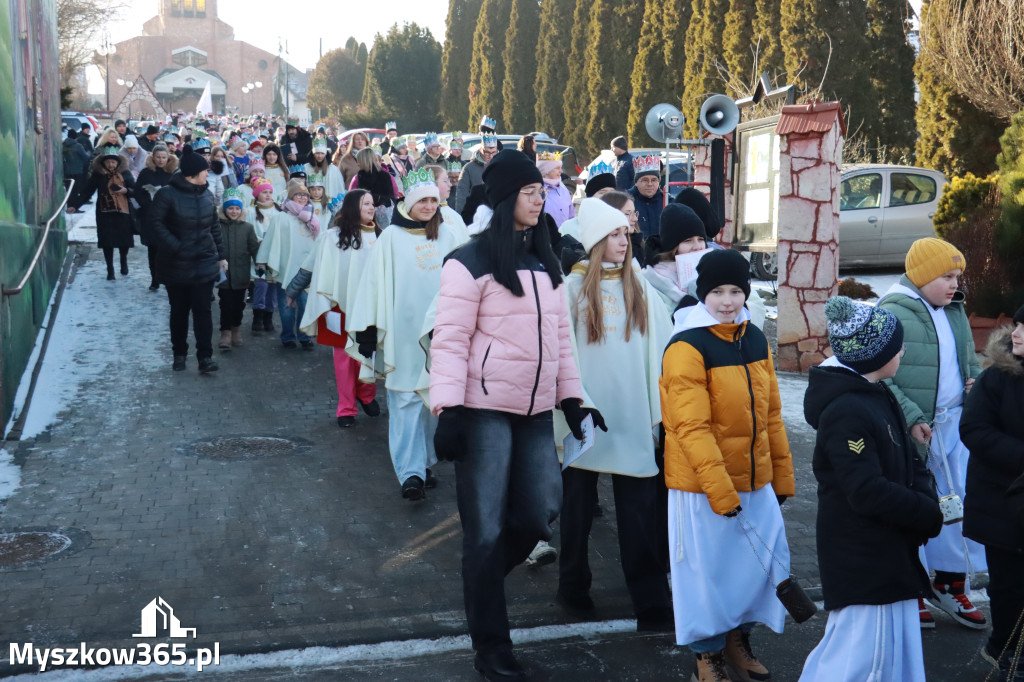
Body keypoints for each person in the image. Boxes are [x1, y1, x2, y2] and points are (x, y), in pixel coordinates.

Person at [429, 150, 587, 681]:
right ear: (504, 201)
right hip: (483, 412)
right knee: (485, 530)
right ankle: (492, 646)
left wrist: (573, 398)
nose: (539, 197)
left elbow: (560, 340)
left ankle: (482, 583)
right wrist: (447, 409)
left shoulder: (546, 262)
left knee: (540, 513)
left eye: (541, 190)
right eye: (529, 191)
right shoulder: (468, 260)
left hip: (537, 409)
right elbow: (449, 341)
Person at [660, 248, 795, 682]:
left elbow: (772, 414)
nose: (728, 300)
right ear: (702, 294)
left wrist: (782, 476)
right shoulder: (686, 345)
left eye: (736, 290)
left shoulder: (754, 338)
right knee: (708, 575)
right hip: (703, 488)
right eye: (717, 291)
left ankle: (738, 640)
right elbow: (691, 428)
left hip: (753, 480)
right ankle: (707, 655)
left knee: (752, 569)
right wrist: (721, 491)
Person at [799, 296, 942, 682]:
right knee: (860, 658)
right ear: (872, 355)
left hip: (887, 551)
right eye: (898, 346)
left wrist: (925, 492)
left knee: (891, 652)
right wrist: (925, 511)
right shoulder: (847, 410)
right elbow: (865, 490)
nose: (902, 352)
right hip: (863, 557)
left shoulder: (876, 393)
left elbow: (905, 461)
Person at [555, 198, 674, 632]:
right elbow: (560, 351)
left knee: (640, 510)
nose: (624, 241)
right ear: (594, 240)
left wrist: (658, 412)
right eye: (613, 234)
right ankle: (572, 586)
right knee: (577, 510)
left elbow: (660, 351)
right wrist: (574, 402)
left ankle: (650, 598)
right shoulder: (569, 290)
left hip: (631, 414)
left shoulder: (639, 287)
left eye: (626, 233)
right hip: (583, 417)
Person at [877, 237, 987, 630]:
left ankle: (952, 582)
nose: (955, 284)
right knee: (918, 507)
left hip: (954, 428)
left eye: (958, 276)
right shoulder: (893, 312)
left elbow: (967, 358)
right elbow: (879, 375)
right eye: (947, 276)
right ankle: (913, 589)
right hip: (916, 433)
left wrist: (976, 384)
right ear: (922, 276)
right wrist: (909, 416)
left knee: (958, 505)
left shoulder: (954, 309)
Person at [348, 168, 464, 500]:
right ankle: (409, 473)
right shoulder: (391, 239)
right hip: (402, 334)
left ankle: (424, 462)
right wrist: (368, 328)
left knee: (433, 401)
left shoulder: (450, 236)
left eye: (433, 200)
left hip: (441, 333)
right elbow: (373, 284)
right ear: (408, 203)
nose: (429, 206)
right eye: (422, 200)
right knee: (405, 400)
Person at [959, 307, 1024, 680]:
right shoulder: (998, 376)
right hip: (1003, 502)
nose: (1015, 333)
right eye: (1016, 325)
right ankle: (1007, 654)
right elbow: (975, 429)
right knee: (1010, 585)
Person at [287, 190, 381, 428]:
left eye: (372, 203)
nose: (371, 208)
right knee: (343, 360)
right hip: (339, 307)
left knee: (367, 356)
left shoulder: (381, 236)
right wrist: (294, 292)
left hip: (370, 309)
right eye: (365, 204)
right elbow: (315, 268)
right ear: (352, 207)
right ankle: (346, 408)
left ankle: (366, 394)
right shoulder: (332, 237)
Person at [149, 145, 227, 374]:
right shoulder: (167, 194)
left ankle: (205, 358)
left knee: (203, 311)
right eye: (205, 171)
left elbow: (214, 227)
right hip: (176, 265)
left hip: (203, 262)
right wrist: (176, 246)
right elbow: (155, 224)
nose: (208, 175)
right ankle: (179, 354)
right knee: (179, 311)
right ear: (193, 173)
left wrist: (220, 256)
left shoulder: (206, 194)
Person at [257, 181, 320, 350]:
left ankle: (304, 335)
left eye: (305, 195)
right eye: (298, 194)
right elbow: (269, 239)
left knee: (305, 304)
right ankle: (288, 336)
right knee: (286, 306)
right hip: (286, 268)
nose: (302, 197)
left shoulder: (312, 217)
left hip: (306, 270)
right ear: (291, 196)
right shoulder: (280, 218)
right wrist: (262, 261)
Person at [67, 145, 136, 281]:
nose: (111, 164)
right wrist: (75, 205)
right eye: (108, 162)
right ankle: (110, 269)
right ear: (103, 162)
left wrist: (126, 191)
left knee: (124, 240)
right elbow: (87, 191)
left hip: (123, 211)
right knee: (107, 241)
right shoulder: (98, 175)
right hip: (104, 212)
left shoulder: (126, 174)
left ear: (118, 162)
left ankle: (123, 261)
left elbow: (135, 190)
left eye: (114, 162)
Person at [641, 203, 707, 312]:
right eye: (688, 241)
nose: (697, 247)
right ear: (672, 246)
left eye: (700, 239)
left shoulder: (709, 270)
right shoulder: (653, 278)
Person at [216, 188, 260, 351]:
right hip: (224, 274)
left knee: (238, 304)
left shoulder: (247, 227)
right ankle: (225, 332)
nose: (234, 212)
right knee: (225, 303)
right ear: (224, 209)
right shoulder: (217, 226)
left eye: (237, 208)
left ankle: (236, 329)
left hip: (242, 273)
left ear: (241, 210)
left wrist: (259, 264)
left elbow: (254, 248)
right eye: (230, 208)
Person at [134, 143, 178, 292]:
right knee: (153, 250)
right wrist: (148, 205)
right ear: (153, 158)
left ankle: (169, 278)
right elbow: (138, 192)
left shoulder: (174, 173)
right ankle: (154, 279)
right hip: (151, 216)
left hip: (169, 217)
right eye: (158, 157)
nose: (161, 160)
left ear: (168, 158)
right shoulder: (146, 173)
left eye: (164, 157)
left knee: (169, 249)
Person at [245, 178, 281, 334]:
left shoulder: (278, 211)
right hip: (259, 256)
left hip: (274, 256)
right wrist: (258, 241)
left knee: (272, 285)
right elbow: (248, 231)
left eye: (270, 192)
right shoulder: (251, 212)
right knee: (261, 284)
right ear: (257, 195)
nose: (268, 195)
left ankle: (268, 316)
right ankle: (257, 316)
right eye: (264, 192)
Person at [558, 162, 617, 242]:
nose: (608, 196)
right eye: (602, 192)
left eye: (612, 192)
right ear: (590, 196)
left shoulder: (619, 225)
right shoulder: (569, 228)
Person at [349, 148, 397, 229]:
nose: (357, 163)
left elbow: (351, 198)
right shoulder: (387, 176)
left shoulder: (358, 178)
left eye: (358, 160)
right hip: (376, 218)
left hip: (371, 218)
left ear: (363, 161)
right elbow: (394, 196)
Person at [426, 164, 469, 243]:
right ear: (432, 183)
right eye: (445, 181)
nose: (450, 184)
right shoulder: (424, 214)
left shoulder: (452, 213)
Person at [455, 135, 498, 213]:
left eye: (494, 153)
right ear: (481, 149)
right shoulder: (469, 168)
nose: (491, 156)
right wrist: (461, 218)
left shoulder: (501, 167)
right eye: (487, 152)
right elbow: (461, 196)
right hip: (475, 216)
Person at [628, 154, 664, 239]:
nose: (650, 184)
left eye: (654, 180)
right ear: (636, 182)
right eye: (645, 180)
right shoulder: (626, 201)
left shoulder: (668, 201)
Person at [538, 152, 573, 228]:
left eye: (561, 168)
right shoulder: (537, 190)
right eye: (557, 168)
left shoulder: (564, 189)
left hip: (564, 236)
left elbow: (571, 216)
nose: (561, 171)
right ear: (547, 170)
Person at [62, 130, 91, 201]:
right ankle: (74, 206)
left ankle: (69, 204)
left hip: (66, 171)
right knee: (75, 189)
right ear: (76, 136)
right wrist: (89, 153)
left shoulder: (63, 145)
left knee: (68, 189)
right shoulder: (78, 146)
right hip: (77, 170)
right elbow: (85, 157)